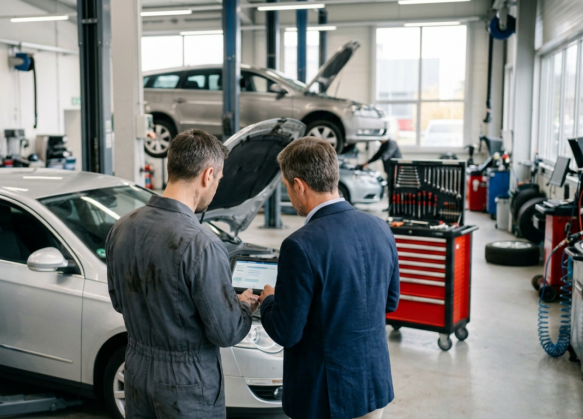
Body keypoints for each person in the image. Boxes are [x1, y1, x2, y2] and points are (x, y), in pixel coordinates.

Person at [105, 129, 260, 419]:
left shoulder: (121, 228)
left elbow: (118, 302)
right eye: (219, 180)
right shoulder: (202, 244)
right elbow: (225, 331)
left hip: (136, 371)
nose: (216, 188)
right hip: (187, 382)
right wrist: (242, 308)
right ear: (207, 175)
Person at [259, 137, 400, 419]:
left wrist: (268, 301)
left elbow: (286, 332)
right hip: (372, 387)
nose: (289, 194)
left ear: (299, 185)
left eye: (287, 187)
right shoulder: (380, 227)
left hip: (326, 397)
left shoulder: (299, 245)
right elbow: (390, 302)